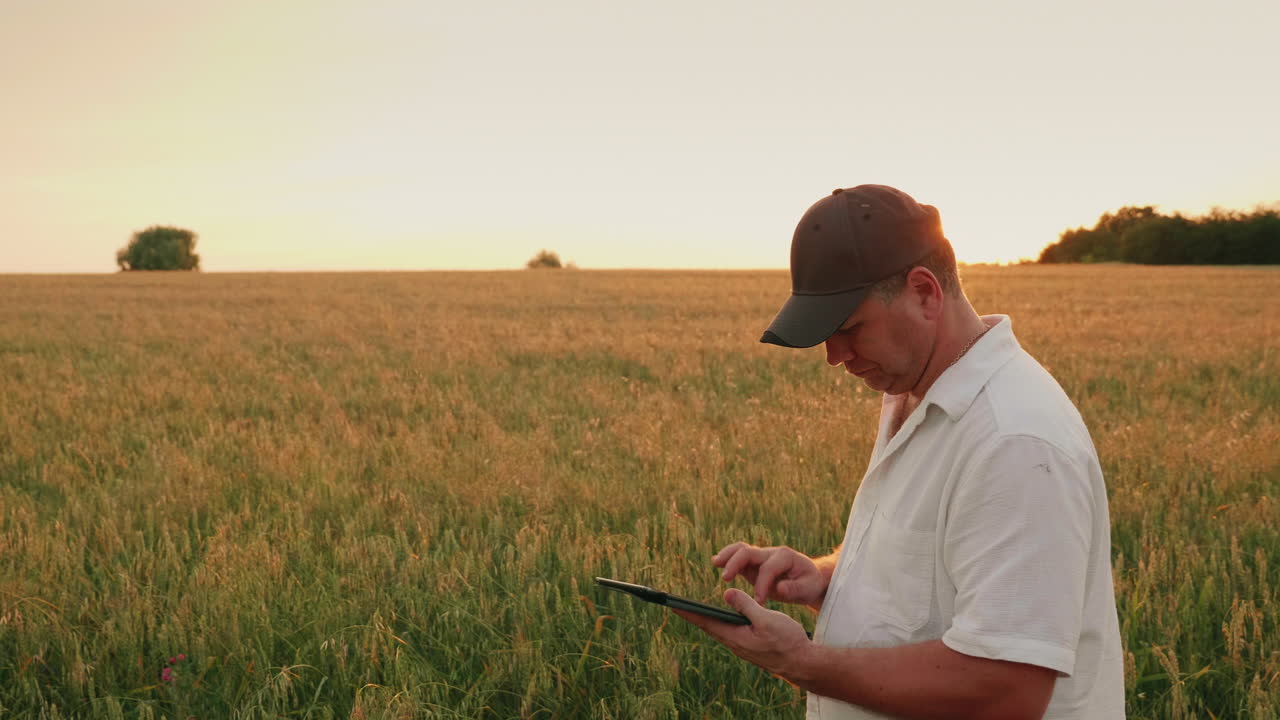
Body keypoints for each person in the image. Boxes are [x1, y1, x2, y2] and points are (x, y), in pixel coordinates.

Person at [673, 185, 1125, 719]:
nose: (834, 357)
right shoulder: (912, 392)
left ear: (925, 293)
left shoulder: (1016, 441)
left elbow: (1006, 690)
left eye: (849, 329)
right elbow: (931, 577)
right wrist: (823, 578)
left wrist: (800, 661)